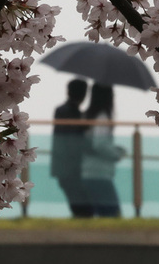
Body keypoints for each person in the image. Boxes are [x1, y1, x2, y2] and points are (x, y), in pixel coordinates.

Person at [81, 83, 126, 217]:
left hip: (86, 172)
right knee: (112, 216)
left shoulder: (86, 116)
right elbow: (99, 144)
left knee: (99, 215)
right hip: (99, 174)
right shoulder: (102, 117)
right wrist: (117, 154)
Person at [50, 79, 93, 218]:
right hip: (70, 166)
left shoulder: (63, 111)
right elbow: (71, 139)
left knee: (78, 202)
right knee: (82, 205)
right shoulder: (72, 113)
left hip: (65, 166)